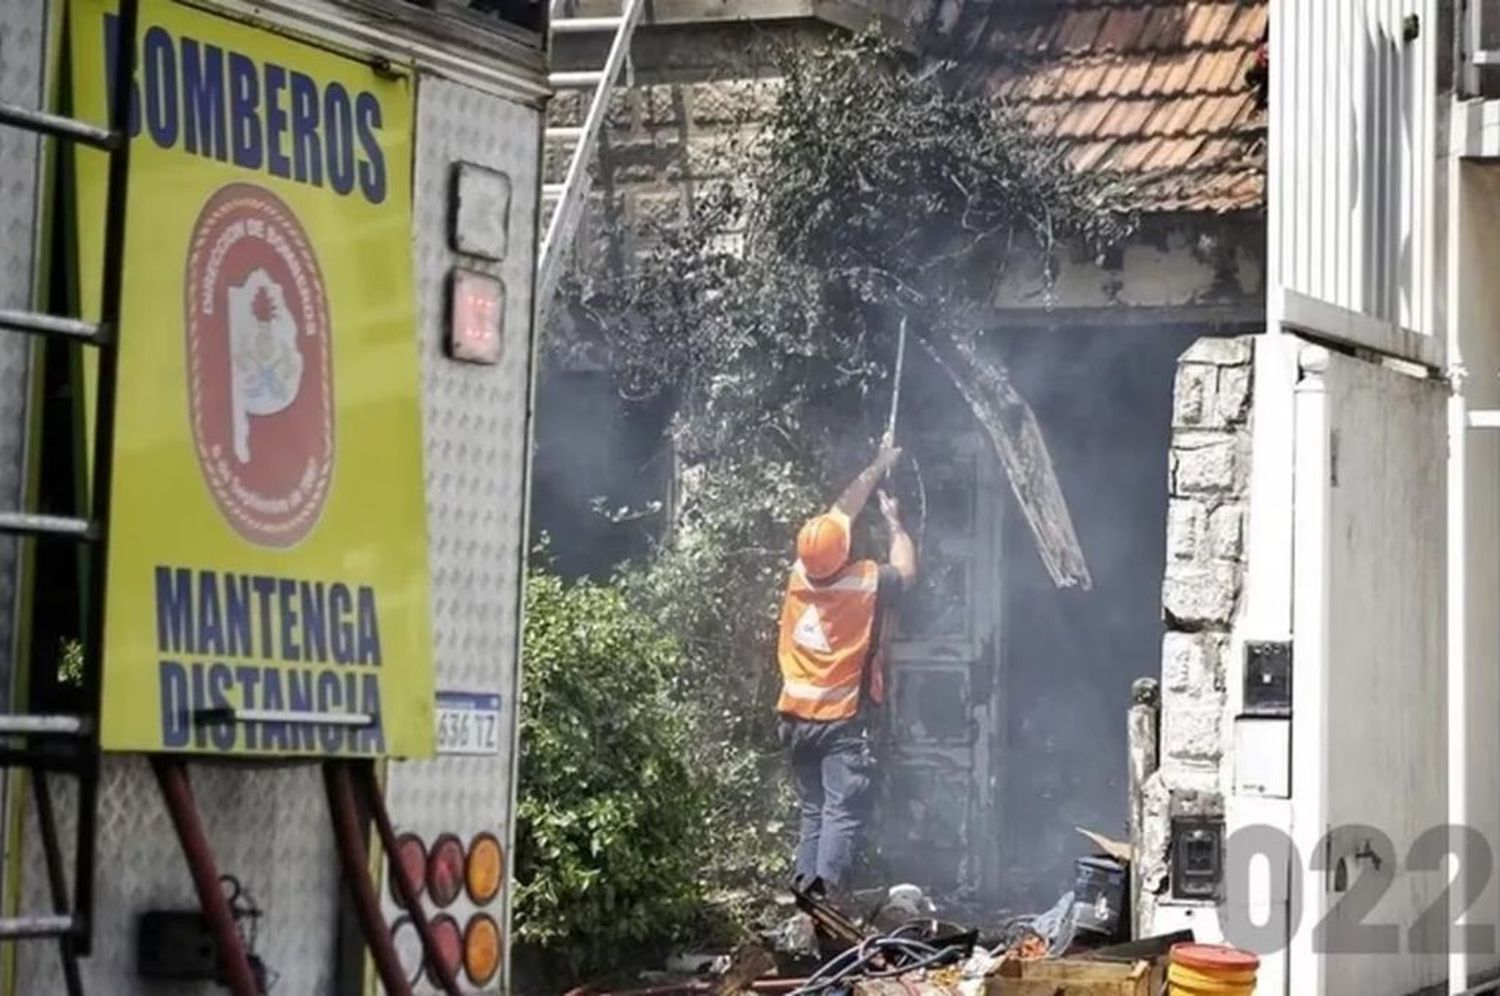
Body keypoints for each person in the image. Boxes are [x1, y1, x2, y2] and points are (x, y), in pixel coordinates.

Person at [775, 440, 917, 901]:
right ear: (844, 551)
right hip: (839, 724)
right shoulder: (864, 582)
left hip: (795, 720)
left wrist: (877, 463)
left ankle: (804, 904)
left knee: (814, 810)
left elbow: (841, 509)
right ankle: (824, 906)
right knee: (841, 811)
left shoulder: (800, 573)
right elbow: (907, 572)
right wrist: (895, 523)